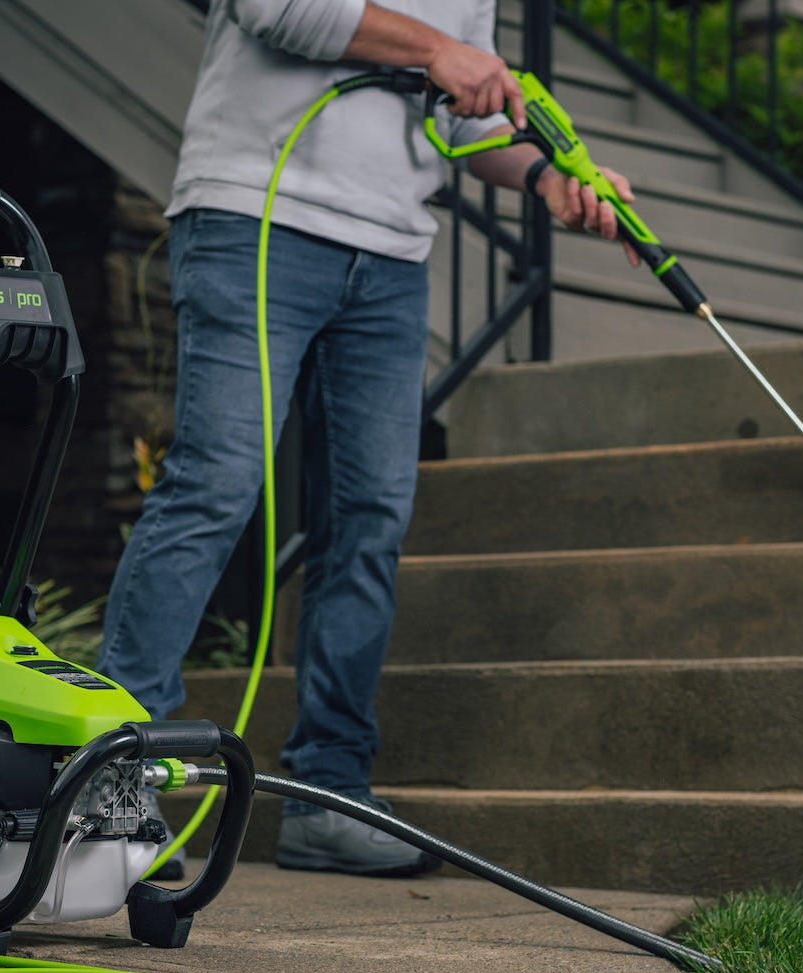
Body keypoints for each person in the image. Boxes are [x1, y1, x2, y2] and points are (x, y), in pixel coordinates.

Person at [96, 0, 639, 878]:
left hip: (390, 257)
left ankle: (328, 793)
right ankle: (113, 783)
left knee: (371, 518)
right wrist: (437, 50)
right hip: (254, 215)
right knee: (216, 484)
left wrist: (547, 175)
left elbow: (471, 109)